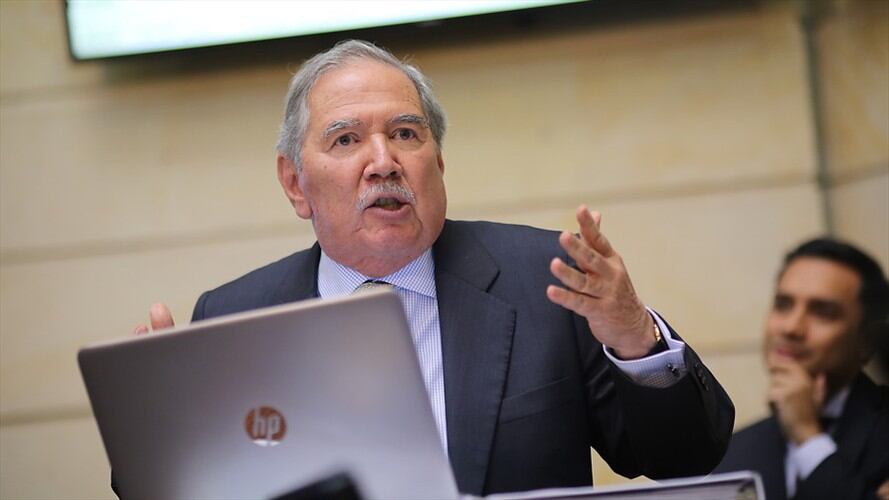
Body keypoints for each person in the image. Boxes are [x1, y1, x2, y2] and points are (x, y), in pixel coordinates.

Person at [135, 40, 734, 495]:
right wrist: (166, 437)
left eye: (405, 133)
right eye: (345, 141)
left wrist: (634, 336)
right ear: (295, 183)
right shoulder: (234, 317)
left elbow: (684, 458)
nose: (382, 162)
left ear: (438, 164)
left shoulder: (545, 281)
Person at [714, 238, 889, 500]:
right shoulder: (730, 454)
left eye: (823, 312)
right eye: (783, 305)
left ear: (867, 340)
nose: (792, 327)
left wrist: (807, 438)